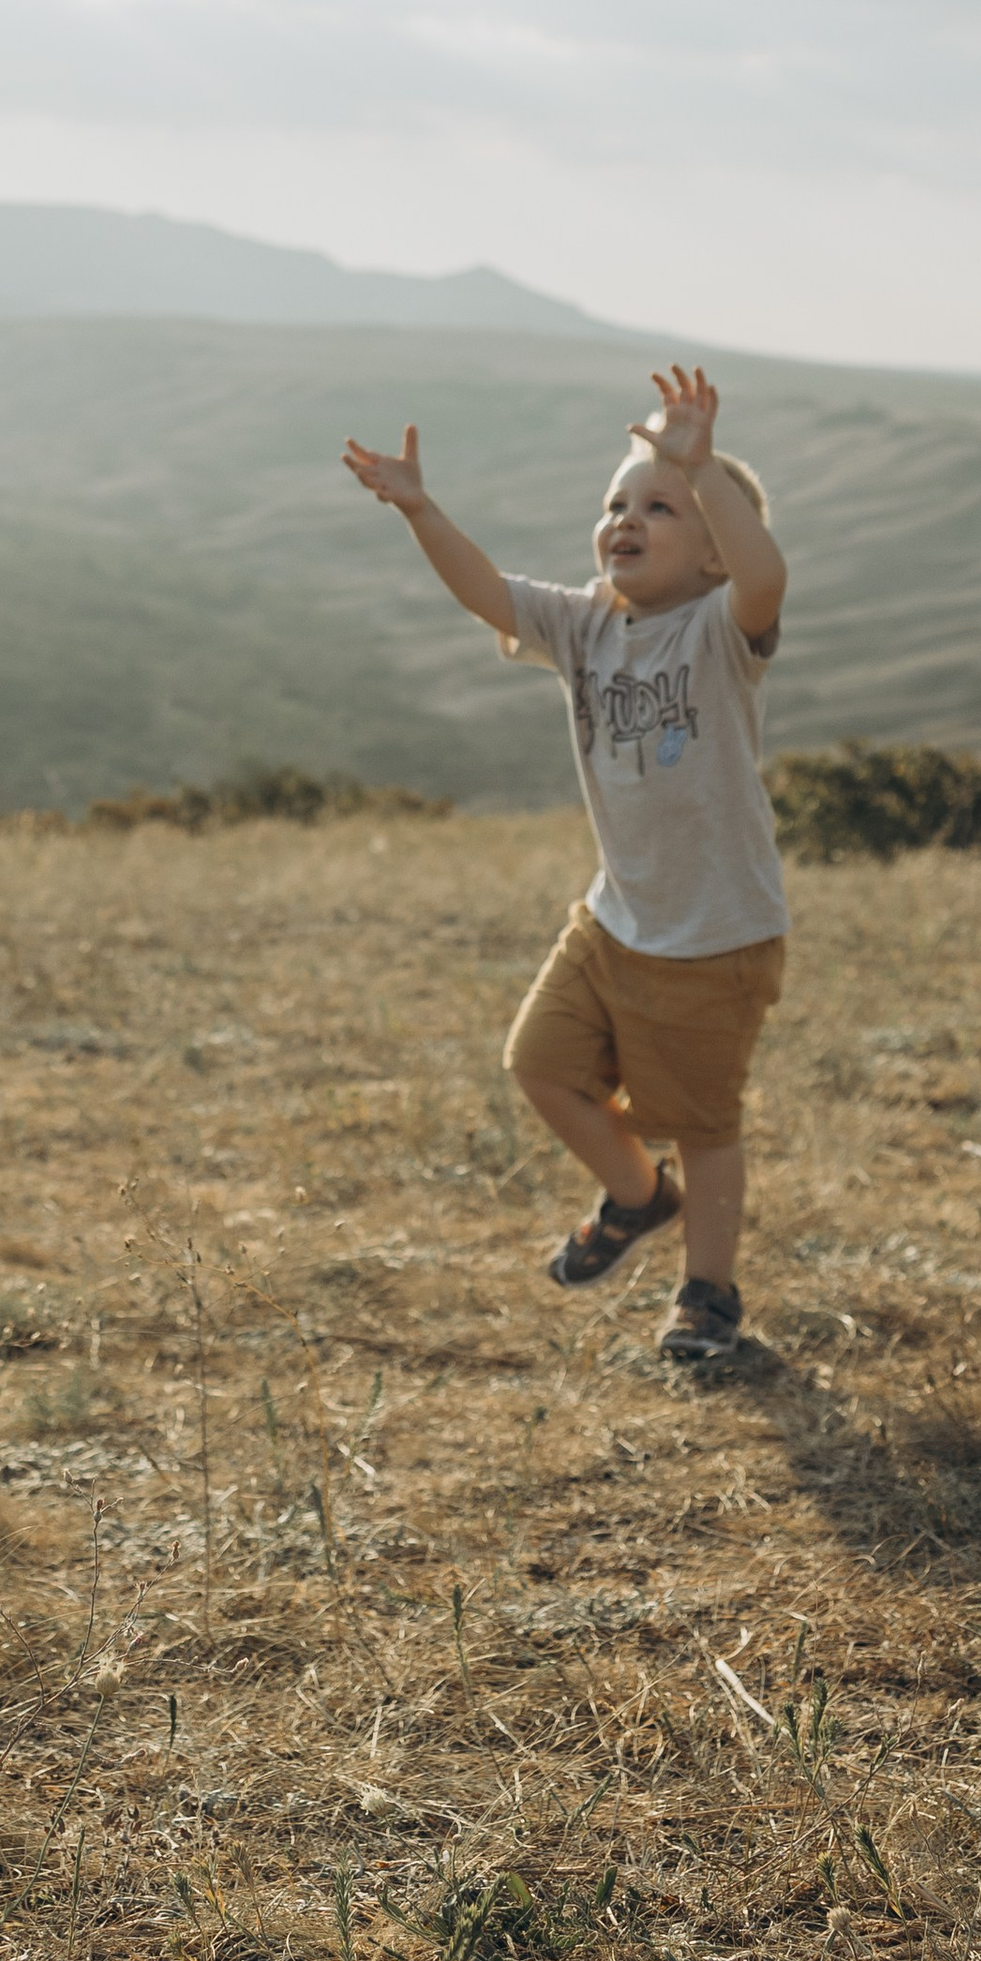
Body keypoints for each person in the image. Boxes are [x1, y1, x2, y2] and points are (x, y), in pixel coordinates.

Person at [341, 366, 788, 1367]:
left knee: (705, 1122)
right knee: (538, 1066)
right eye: (615, 504)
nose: (625, 519)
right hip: (613, 920)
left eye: (659, 507)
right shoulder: (585, 624)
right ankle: (638, 1197)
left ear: (712, 552)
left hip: (714, 936)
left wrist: (700, 463)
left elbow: (766, 578)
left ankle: (707, 1298)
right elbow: (485, 592)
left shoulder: (720, 630)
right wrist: (421, 511)